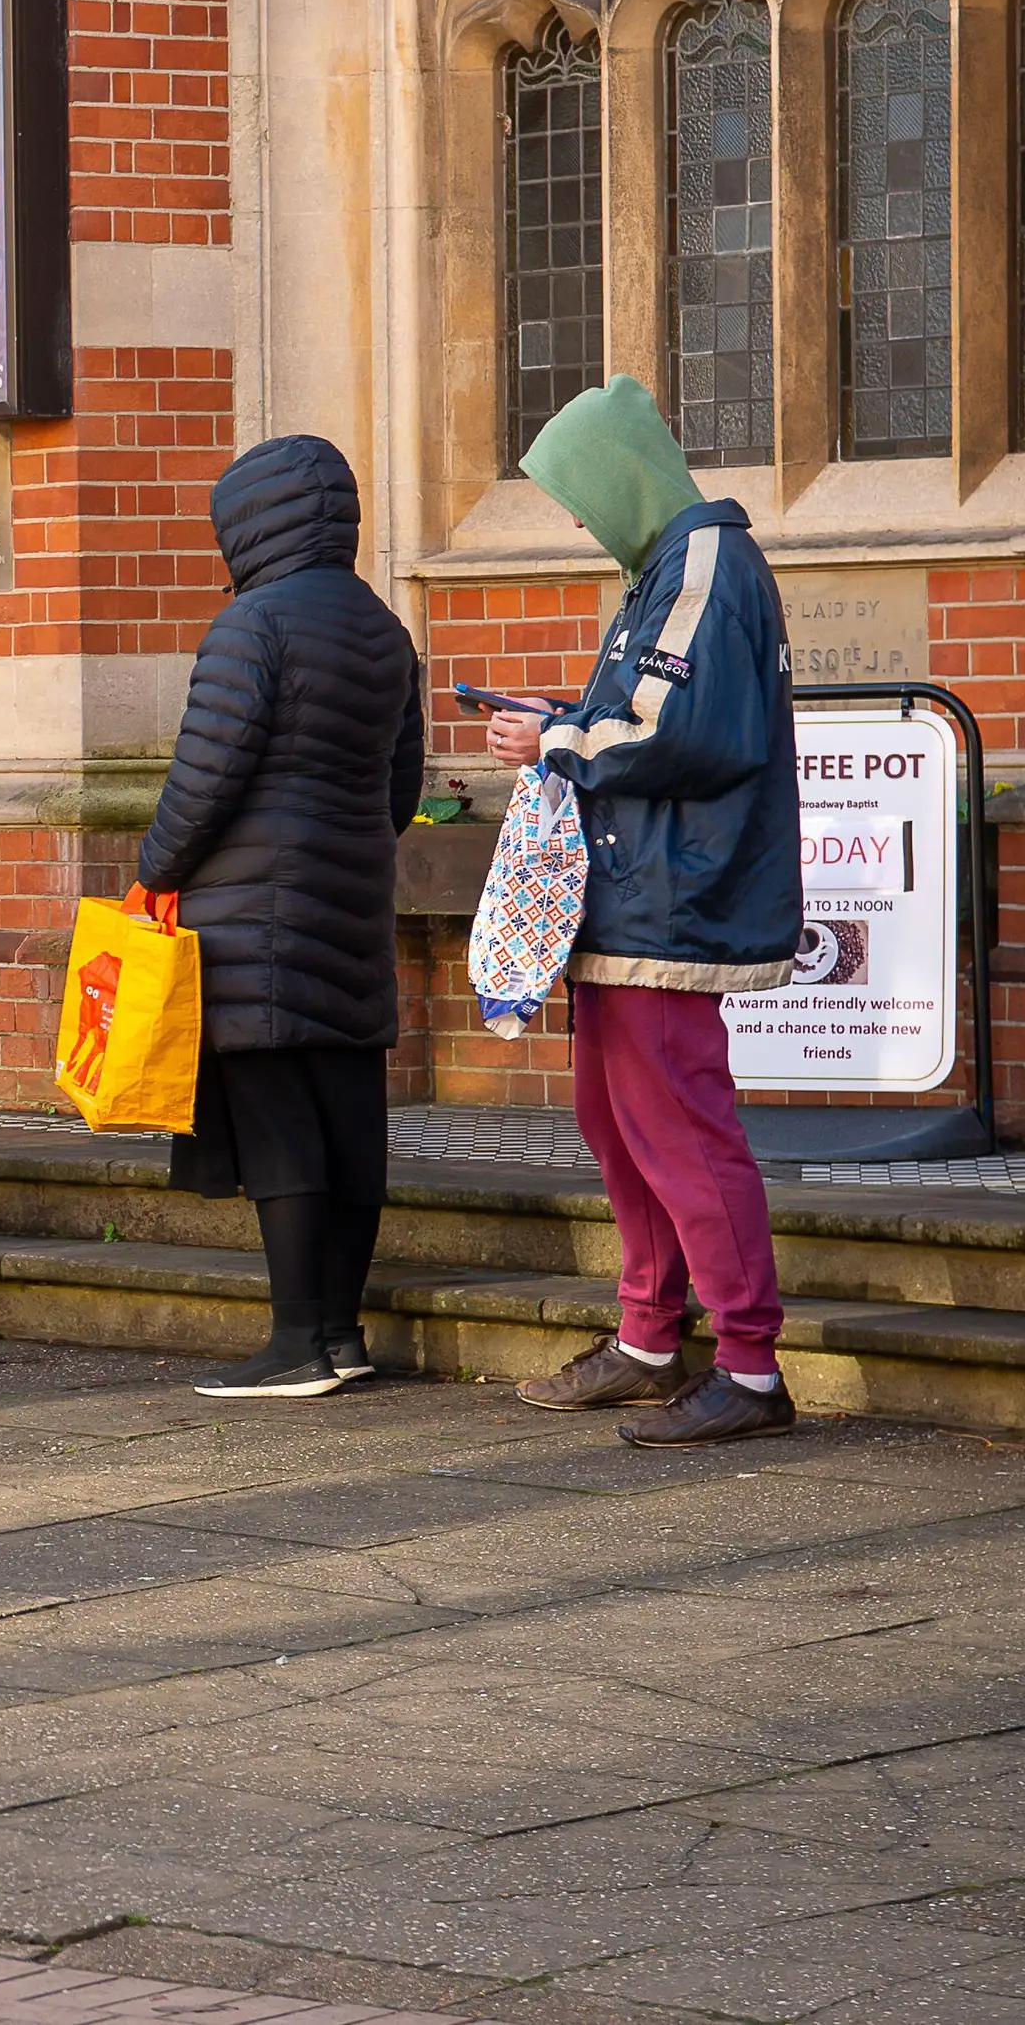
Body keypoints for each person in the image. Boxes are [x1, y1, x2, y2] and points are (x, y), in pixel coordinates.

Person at [484, 376, 802, 1448]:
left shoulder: (702, 564)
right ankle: (649, 1340)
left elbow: (684, 735)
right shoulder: (669, 567)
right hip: (636, 897)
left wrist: (557, 740)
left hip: (670, 903)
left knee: (680, 1133)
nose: (574, 519)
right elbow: (654, 717)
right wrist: (566, 720)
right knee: (620, 1127)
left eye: (577, 492)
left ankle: (749, 1367)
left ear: (620, 476)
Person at [137, 437, 425, 1399]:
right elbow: (399, 785)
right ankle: (341, 1334)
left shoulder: (249, 624)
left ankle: (296, 1342)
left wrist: (155, 867)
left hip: (252, 915)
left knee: (276, 1130)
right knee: (348, 1122)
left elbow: (205, 775)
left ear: (249, 522)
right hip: (350, 905)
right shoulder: (387, 630)